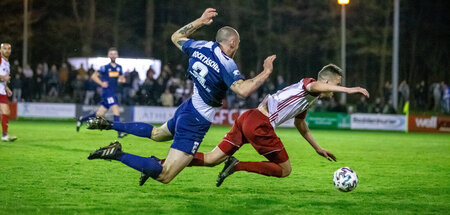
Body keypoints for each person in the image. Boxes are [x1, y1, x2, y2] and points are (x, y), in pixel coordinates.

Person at [86, 8, 276, 185]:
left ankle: (109, 124)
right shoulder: (226, 63)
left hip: (188, 107)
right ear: (232, 43)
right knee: (165, 174)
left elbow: (176, 36)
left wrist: (201, 21)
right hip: (196, 119)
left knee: (157, 134)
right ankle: (117, 154)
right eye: (237, 45)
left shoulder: (200, 46)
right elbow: (242, 90)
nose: (236, 49)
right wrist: (265, 72)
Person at [167, 64, 369, 187]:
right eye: (335, 84)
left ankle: (161, 164)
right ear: (326, 81)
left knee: (212, 159)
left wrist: (318, 148)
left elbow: (301, 125)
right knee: (284, 170)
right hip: (260, 124)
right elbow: (316, 85)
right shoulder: (310, 84)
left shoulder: (307, 99)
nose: (334, 90)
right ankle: (237, 165)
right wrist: (350, 90)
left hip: (247, 118)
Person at [76, 47, 126, 138]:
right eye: (111, 54)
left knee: (99, 114)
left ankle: (81, 119)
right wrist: (101, 83)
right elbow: (93, 76)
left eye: (115, 54)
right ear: (108, 55)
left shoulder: (119, 67)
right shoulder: (105, 67)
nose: (113, 55)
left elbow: (120, 79)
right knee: (116, 109)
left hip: (113, 92)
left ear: (117, 55)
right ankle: (120, 133)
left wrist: (122, 80)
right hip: (107, 93)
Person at [0, 43, 17, 141]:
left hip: (2, 91)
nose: (7, 50)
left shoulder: (7, 63)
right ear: (0, 50)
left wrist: (7, 88)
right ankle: (4, 135)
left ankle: (4, 135)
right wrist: (3, 77)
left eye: (9, 48)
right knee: (5, 111)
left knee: (6, 112)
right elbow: (3, 77)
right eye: (5, 48)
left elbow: (4, 78)